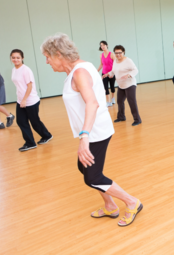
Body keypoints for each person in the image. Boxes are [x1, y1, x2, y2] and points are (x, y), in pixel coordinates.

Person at [41, 33, 143, 227]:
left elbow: (92, 103)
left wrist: (84, 137)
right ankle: (110, 206)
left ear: (58, 54)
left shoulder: (79, 72)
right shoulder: (82, 67)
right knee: (85, 168)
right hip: (95, 129)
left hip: (95, 132)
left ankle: (132, 202)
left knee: (93, 177)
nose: (47, 62)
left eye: (47, 57)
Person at [10, 49, 53, 152]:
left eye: (18, 57)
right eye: (13, 57)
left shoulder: (26, 70)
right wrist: (21, 99)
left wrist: (24, 99)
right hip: (20, 100)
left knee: (34, 122)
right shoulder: (14, 69)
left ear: (22, 58)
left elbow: (30, 86)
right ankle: (30, 143)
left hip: (30, 101)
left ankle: (46, 135)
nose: (15, 59)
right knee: (21, 121)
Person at [103, 45, 142, 126]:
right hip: (121, 85)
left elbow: (136, 70)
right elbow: (113, 71)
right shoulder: (115, 61)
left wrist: (128, 75)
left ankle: (137, 119)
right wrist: (108, 74)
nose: (118, 54)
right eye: (116, 53)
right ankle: (121, 117)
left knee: (131, 102)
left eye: (120, 53)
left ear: (123, 52)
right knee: (120, 101)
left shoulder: (128, 60)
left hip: (130, 84)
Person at [97, 41, 116, 107]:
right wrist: (96, 71)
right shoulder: (100, 55)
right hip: (104, 73)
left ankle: (113, 98)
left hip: (111, 73)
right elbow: (101, 64)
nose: (102, 46)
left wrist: (113, 73)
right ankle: (108, 101)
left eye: (104, 45)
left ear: (107, 45)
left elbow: (115, 64)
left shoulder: (112, 54)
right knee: (105, 88)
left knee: (112, 87)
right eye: (101, 45)